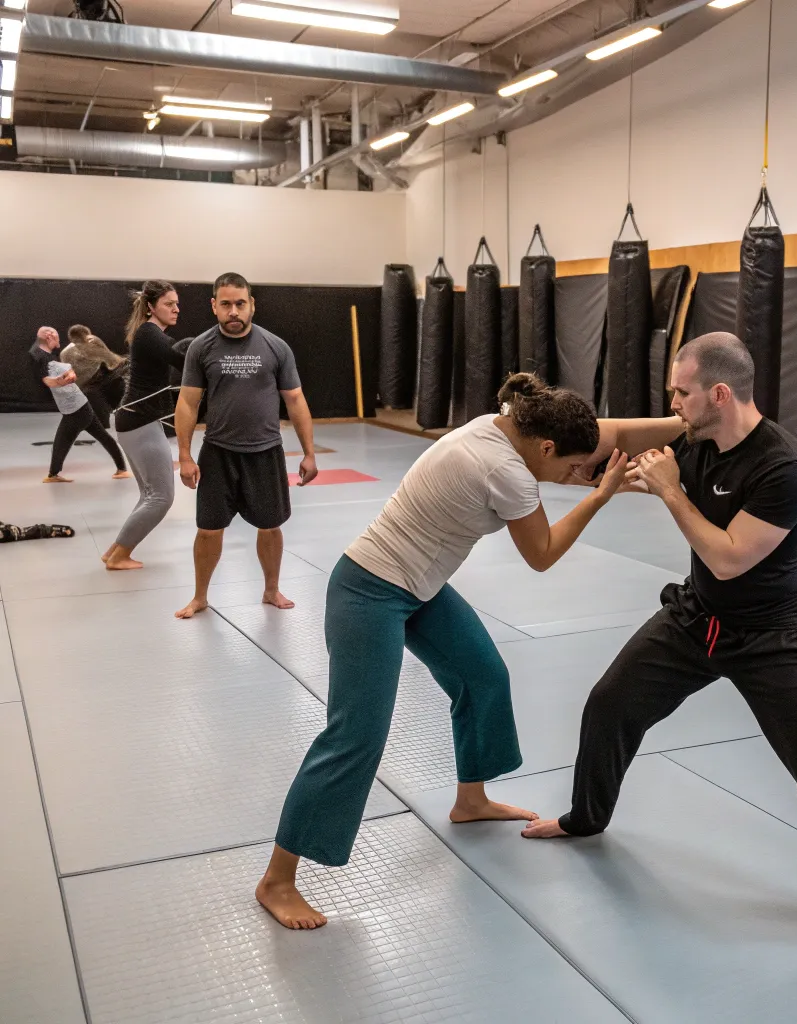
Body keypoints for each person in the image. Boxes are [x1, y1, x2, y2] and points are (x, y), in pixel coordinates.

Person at [523, 332, 797, 964]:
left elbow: (727, 560)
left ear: (718, 394)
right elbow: (609, 433)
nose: (673, 401)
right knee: (610, 704)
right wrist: (519, 432)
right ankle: (586, 817)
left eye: (681, 391)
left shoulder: (784, 468)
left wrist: (668, 490)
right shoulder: (695, 435)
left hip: (774, 638)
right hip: (696, 622)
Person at [256, 373, 630, 930]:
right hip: (368, 590)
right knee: (355, 734)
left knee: (482, 674)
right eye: (571, 467)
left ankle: (471, 800)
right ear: (546, 447)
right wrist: (599, 497)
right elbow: (543, 554)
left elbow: (615, 430)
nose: (573, 476)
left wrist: (685, 424)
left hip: (419, 588)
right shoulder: (509, 473)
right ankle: (277, 879)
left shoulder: (500, 424)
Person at [174, 272, 318, 619]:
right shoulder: (201, 347)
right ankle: (200, 597)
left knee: (270, 526)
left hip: (265, 452)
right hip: (218, 453)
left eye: (241, 303)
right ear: (214, 306)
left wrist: (309, 452)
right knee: (208, 529)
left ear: (252, 304)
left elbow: (295, 400)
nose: (234, 311)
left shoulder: (275, 346)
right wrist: (184, 456)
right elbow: (188, 403)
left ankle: (271, 590)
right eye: (226, 304)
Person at [103, 282, 190, 571]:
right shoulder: (150, 334)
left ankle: (114, 550)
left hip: (135, 420)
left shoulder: (150, 334)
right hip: (139, 422)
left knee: (149, 494)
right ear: (152, 307)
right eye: (169, 304)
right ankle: (119, 557)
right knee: (162, 497)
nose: (176, 309)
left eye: (177, 303)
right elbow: (182, 356)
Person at [28, 326, 130, 484]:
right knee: (94, 436)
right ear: (48, 337)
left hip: (77, 408)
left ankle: (53, 474)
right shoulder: (44, 357)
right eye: (55, 336)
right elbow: (49, 376)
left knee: (64, 439)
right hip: (76, 406)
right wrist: (60, 379)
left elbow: (58, 377)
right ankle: (121, 469)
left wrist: (63, 378)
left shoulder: (50, 357)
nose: (59, 339)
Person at [61, 323, 127, 428]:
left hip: (86, 384)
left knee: (117, 383)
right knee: (117, 383)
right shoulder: (88, 346)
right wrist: (101, 345)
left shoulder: (65, 352)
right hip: (89, 385)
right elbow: (113, 362)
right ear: (86, 336)